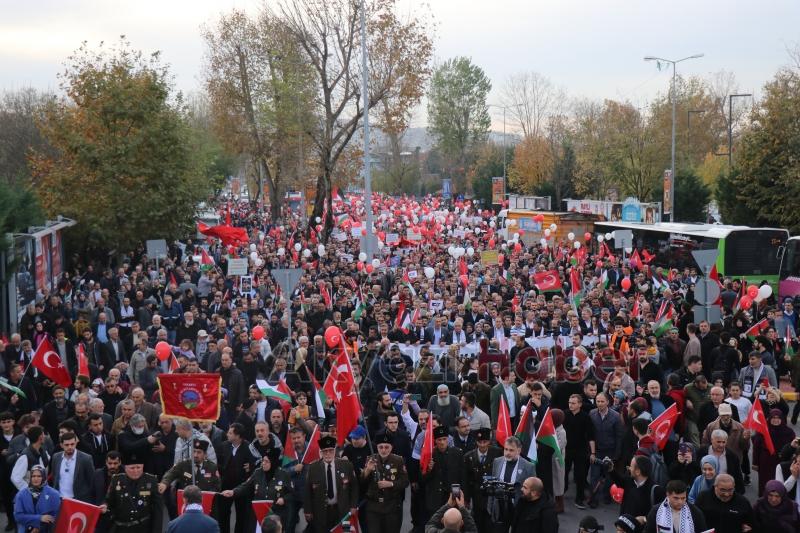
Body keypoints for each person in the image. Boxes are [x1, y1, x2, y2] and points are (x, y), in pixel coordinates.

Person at [221, 453, 292, 532]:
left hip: (275, 513)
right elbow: (246, 486)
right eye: (262, 461)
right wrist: (233, 492)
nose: (263, 463)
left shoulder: (283, 474)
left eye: (266, 461)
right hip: (259, 512)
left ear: (273, 462)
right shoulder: (258, 472)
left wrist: (284, 499)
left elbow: (291, 493)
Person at [303, 435, 358, 533]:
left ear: (335, 450)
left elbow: (354, 487)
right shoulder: (313, 468)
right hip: (321, 512)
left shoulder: (346, 465)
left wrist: (353, 505)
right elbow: (307, 491)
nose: (328, 454)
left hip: (342, 510)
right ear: (321, 452)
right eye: (325, 451)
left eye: (331, 450)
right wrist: (308, 510)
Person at [362, 432, 409, 533]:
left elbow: (405, 482)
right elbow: (362, 482)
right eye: (381, 447)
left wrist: (391, 484)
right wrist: (367, 471)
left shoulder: (398, 460)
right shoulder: (370, 459)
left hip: (391, 506)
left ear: (391, 447)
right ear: (377, 447)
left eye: (387, 447)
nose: (383, 450)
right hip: (373, 506)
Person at [106, 457, 163, 533]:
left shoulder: (151, 481)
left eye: (138, 467)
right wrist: (105, 507)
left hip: (143, 528)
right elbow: (109, 502)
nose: (135, 471)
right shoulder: (116, 480)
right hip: (121, 528)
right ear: (125, 468)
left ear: (142, 466)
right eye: (132, 468)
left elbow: (158, 510)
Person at [462, 427, 501, 533]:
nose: (482, 445)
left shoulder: (497, 453)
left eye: (485, 442)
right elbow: (466, 479)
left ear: (489, 441)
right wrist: (466, 498)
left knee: (491, 522)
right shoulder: (468, 456)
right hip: (476, 494)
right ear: (476, 442)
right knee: (478, 521)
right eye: (480, 442)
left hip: (492, 494)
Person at [12, 465, 61, 533]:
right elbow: (18, 516)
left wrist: (38, 527)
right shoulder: (21, 495)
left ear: (44, 477)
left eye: (39, 476)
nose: (36, 479)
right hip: (26, 530)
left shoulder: (54, 494)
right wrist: (39, 518)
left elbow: (55, 517)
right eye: (33, 476)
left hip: (46, 530)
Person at [50, 431, 95, 502]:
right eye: (67, 445)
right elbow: (55, 477)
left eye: (72, 444)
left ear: (76, 443)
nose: (70, 447)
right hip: (60, 499)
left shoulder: (86, 459)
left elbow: (91, 481)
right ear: (61, 445)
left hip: (78, 500)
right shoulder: (56, 457)